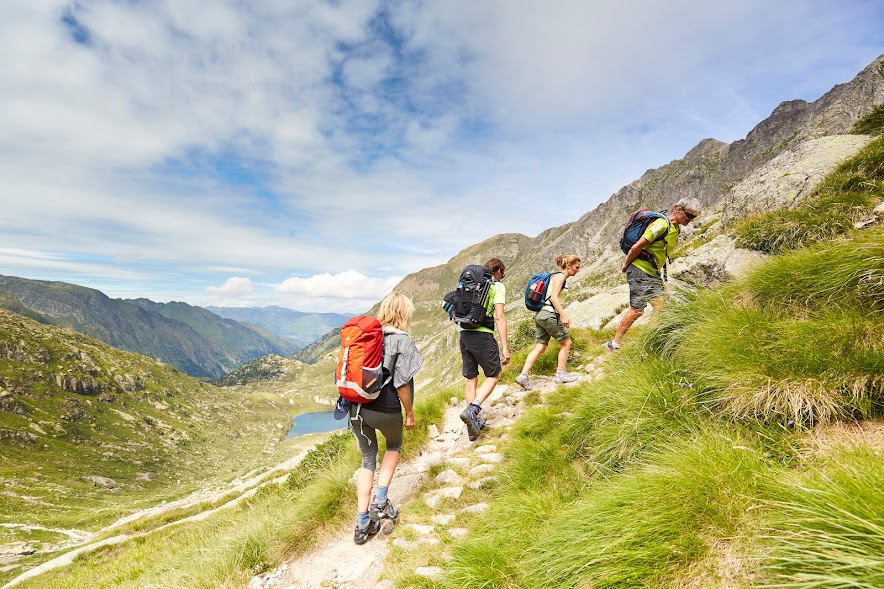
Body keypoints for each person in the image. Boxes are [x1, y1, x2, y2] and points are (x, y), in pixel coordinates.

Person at [351, 293, 423, 545]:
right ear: (404, 313)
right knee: (393, 446)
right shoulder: (402, 340)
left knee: (367, 459)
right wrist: (410, 412)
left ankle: (362, 523)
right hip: (386, 408)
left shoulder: (365, 336)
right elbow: (402, 382)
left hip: (356, 408)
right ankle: (380, 499)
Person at [603, 197, 701, 352]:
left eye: (694, 217)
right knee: (637, 310)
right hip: (639, 269)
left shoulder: (677, 229)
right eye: (689, 216)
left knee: (661, 307)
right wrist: (625, 265)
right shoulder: (662, 225)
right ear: (678, 209)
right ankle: (613, 344)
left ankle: (649, 342)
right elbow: (636, 247)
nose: (691, 220)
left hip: (653, 273)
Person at [459, 258, 510, 441]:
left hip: (464, 334)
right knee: (493, 375)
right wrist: (505, 347)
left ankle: (473, 423)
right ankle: (473, 410)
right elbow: (500, 317)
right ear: (497, 272)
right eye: (502, 274)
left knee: (471, 379)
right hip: (483, 336)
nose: (502, 277)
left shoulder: (469, 286)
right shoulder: (496, 287)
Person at [515, 255, 582, 389]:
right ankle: (560, 374)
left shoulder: (554, 276)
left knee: (540, 347)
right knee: (566, 343)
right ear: (568, 266)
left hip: (541, 315)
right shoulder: (561, 277)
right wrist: (563, 315)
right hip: (549, 314)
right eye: (577, 267)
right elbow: (554, 298)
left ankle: (523, 376)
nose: (578, 270)